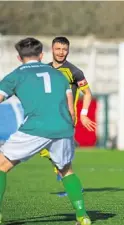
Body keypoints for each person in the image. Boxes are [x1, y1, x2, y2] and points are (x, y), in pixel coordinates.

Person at [0, 37, 91, 225]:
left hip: (37, 127)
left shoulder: (15, 75)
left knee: (1, 166)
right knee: (66, 170)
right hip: (64, 128)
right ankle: (82, 215)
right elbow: (70, 107)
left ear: (19, 57)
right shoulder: (59, 75)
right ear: (41, 55)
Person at [40, 36, 96, 192]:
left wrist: (84, 114)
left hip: (65, 117)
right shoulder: (44, 70)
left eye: (64, 49)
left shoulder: (74, 71)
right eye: (58, 49)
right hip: (46, 116)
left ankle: (70, 185)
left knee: (54, 151)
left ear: (68, 50)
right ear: (52, 49)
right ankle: (63, 171)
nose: (61, 52)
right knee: (47, 150)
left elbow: (88, 93)